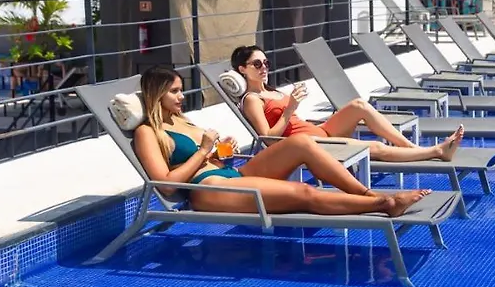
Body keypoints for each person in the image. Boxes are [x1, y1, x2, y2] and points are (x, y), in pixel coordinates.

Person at [132, 66, 429, 217]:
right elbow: (166, 185)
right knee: (303, 192)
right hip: (208, 188)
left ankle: (366, 193)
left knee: (302, 143)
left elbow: (212, 157)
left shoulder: (183, 121)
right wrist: (204, 151)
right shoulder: (148, 132)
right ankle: (385, 203)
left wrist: (222, 151)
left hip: (230, 173)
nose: (181, 97)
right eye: (174, 92)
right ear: (156, 94)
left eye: (181, 90)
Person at [230, 45, 464, 163]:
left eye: (266, 63)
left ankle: (410, 146)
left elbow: (292, 120)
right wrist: (290, 108)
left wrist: (293, 106)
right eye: (257, 64)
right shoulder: (252, 100)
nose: (264, 68)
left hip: (319, 131)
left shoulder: (271, 91)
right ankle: (436, 152)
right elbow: (268, 139)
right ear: (242, 69)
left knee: (359, 105)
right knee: (371, 147)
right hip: (308, 144)